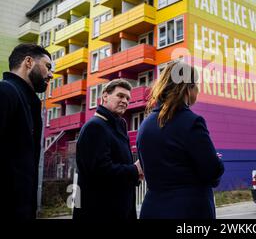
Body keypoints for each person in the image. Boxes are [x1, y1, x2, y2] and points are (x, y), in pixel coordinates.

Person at [137, 61, 224, 219]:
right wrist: (216, 161)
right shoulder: (191, 122)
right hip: (188, 210)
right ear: (188, 88)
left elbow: (147, 166)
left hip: (152, 209)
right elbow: (212, 171)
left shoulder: (145, 124)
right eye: (196, 85)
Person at [73, 79, 143, 220]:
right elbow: (99, 172)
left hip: (120, 209)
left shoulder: (118, 126)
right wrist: (134, 170)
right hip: (100, 212)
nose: (125, 101)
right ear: (105, 96)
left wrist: (136, 176)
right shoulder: (95, 127)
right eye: (120, 96)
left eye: (128, 98)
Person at [0, 44, 53, 219]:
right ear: (28, 62)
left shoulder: (28, 102)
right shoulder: (6, 92)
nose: (51, 75)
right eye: (48, 66)